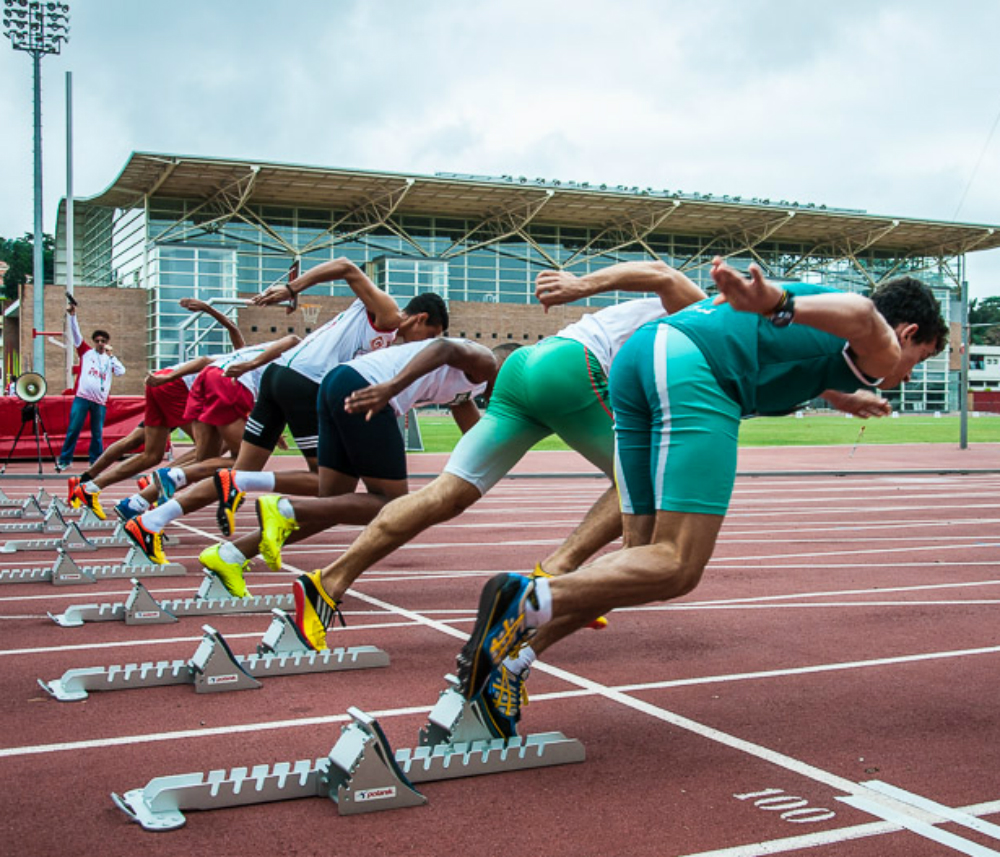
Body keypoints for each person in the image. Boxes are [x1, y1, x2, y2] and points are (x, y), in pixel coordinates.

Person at [454, 256, 948, 738]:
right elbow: (864, 316)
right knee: (677, 565)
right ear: (908, 334)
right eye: (919, 359)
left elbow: (794, 353)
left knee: (635, 566)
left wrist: (837, 393)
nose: (904, 377)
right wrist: (777, 300)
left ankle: (511, 663)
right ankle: (526, 596)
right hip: (694, 369)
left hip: (639, 358)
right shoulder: (878, 339)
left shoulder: (833, 345)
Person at [286, 261, 709, 653]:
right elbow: (660, 272)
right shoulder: (710, 314)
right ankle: (555, 576)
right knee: (646, 481)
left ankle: (326, 583)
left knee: (447, 494)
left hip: (526, 367)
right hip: (568, 366)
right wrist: (580, 285)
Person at [136, 335, 497, 596]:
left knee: (332, 502)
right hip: (364, 388)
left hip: (335, 383)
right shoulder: (485, 361)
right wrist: (392, 387)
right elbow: (444, 347)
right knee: (389, 503)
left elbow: (479, 437)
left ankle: (231, 553)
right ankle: (284, 507)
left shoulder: (467, 393)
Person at [118, 258, 448, 536]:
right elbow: (347, 266)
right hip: (303, 383)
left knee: (234, 474)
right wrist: (292, 289)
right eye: (429, 336)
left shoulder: (387, 340)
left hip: (277, 377)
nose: (424, 345)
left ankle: (146, 515)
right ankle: (255, 496)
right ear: (420, 318)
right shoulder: (389, 314)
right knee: (328, 485)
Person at [67, 298, 246, 510]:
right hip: (175, 387)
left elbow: (232, 329)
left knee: (150, 453)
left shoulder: (252, 369)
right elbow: (206, 358)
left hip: (167, 384)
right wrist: (207, 309)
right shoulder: (249, 363)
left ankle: (88, 484)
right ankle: (160, 482)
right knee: (207, 454)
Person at [108, 334, 298, 531]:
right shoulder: (303, 353)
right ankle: (175, 475)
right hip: (230, 384)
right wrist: (250, 366)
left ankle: (135, 503)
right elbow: (293, 339)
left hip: (206, 379)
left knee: (206, 460)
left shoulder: (248, 353)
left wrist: (170, 376)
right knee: (245, 464)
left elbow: (205, 361)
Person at [55, 304, 126, 471]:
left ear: (107, 343)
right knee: (74, 428)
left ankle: (95, 461)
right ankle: (65, 460)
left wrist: (112, 356)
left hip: (100, 402)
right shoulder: (86, 352)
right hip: (82, 398)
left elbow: (121, 372)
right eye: (97, 341)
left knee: (97, 434)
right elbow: (76, 334)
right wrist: (73, 316)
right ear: (94, 342)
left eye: (103, 341)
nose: (100, 343)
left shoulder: (110, 359)